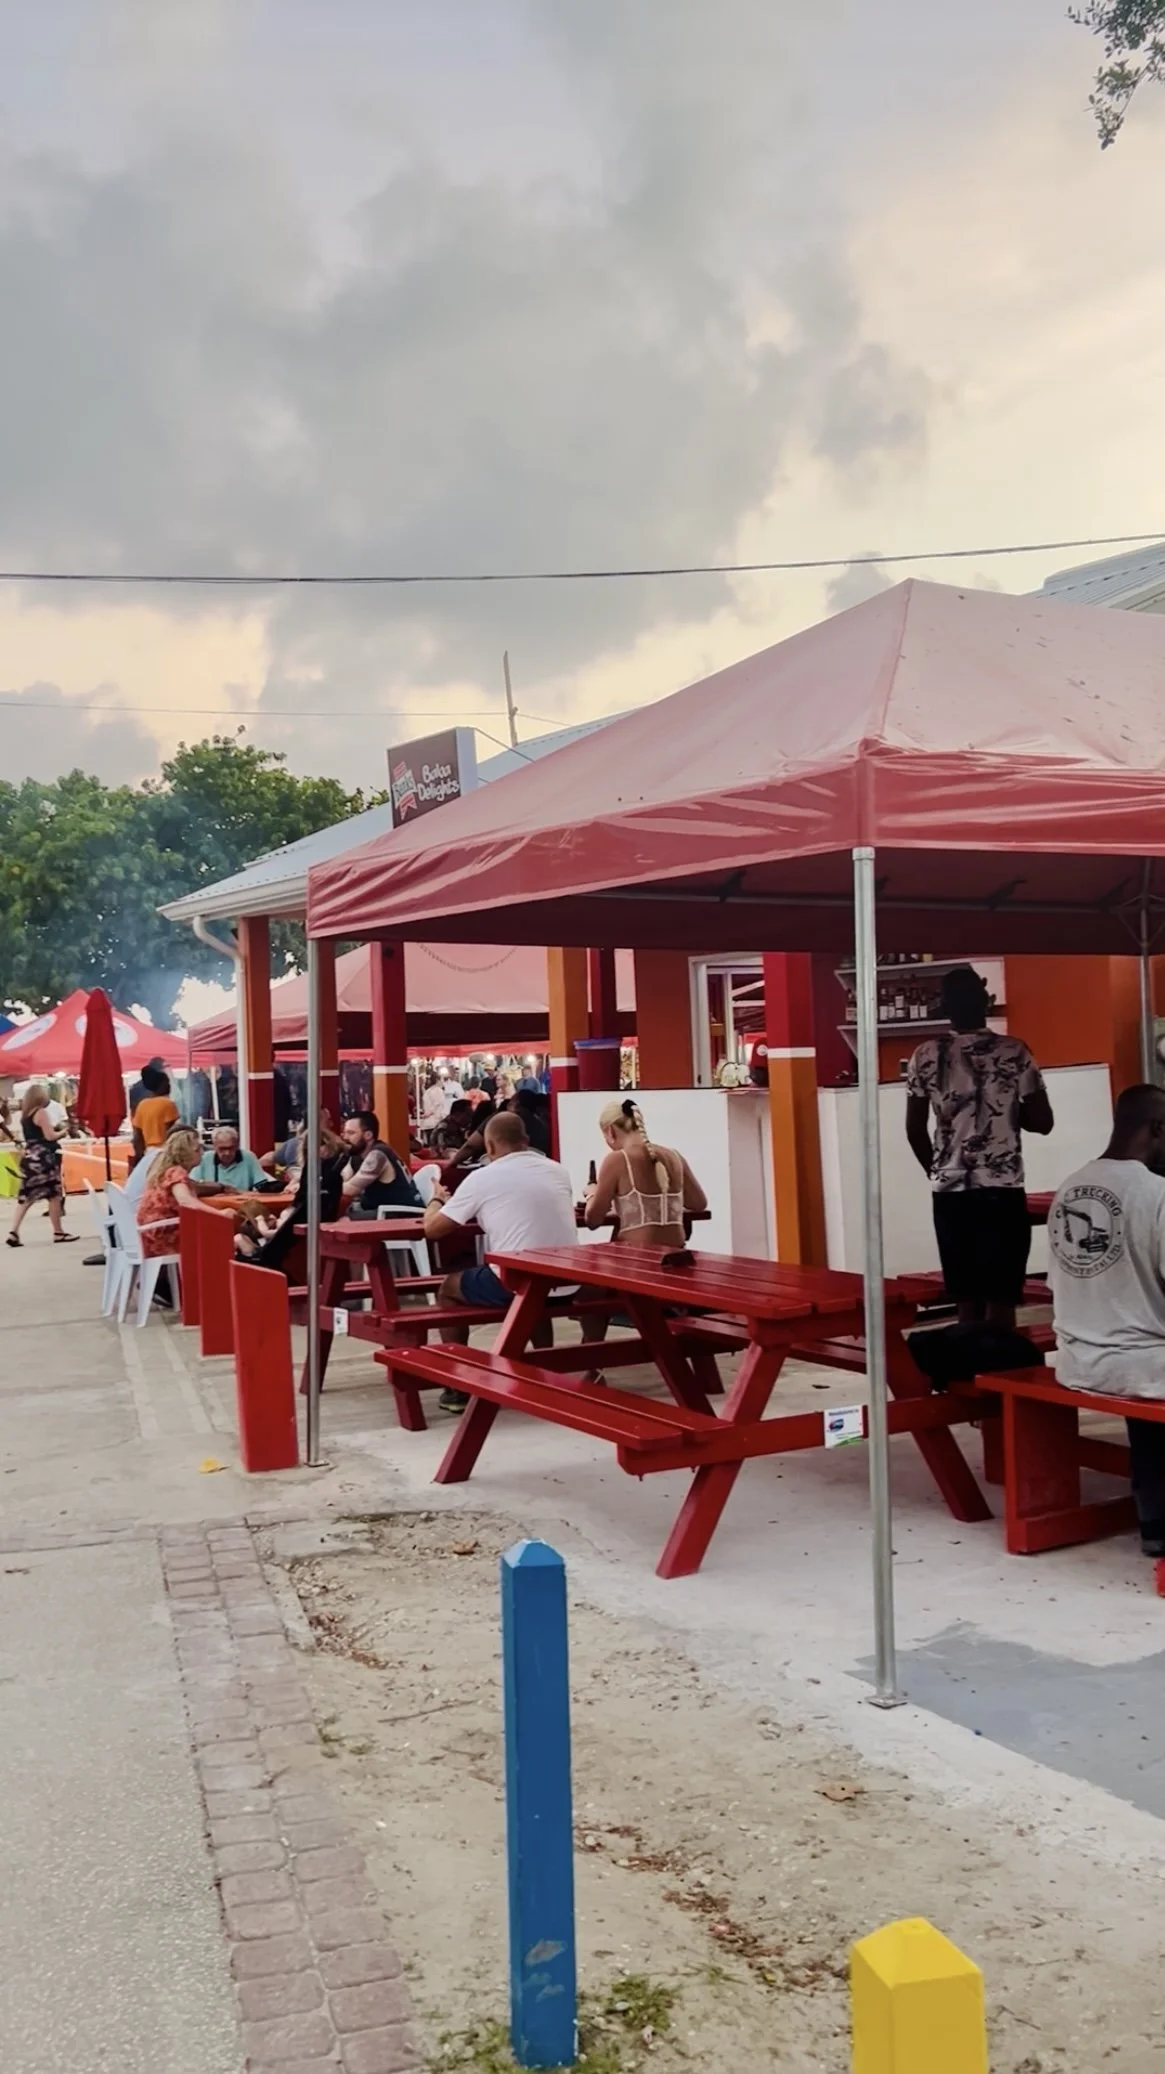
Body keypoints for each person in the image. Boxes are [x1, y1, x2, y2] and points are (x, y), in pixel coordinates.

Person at [1048, 1082, 1165, 1556]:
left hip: (1076, 1358)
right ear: (1157, 1129)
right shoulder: (1155, 1193)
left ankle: (1156, 1520)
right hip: (1139, 1365)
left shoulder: (1070, 1185)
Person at [905, 964, 1053, 1328]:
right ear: (986, 1001)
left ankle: (970, 1376)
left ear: (944, 1006)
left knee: (965, 1298)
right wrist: (1003, 1107)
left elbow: (914, 1128)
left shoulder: (924, 1054)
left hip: (951, 1191)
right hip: (1001, 1188)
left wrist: (939, 1169)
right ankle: (1002, 1376)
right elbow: (1044, 1123)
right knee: (1001, 1296)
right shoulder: (1014, 1051)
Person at [423, 1110, 578, 1409]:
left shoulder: (482, 1178)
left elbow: (433, 1229)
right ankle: (544, 1370)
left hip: (517, 1283)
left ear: (490, 1147)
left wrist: (436, 1199)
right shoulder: (558, 1170)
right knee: (536, 1284)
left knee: (447, 1288)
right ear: (526, 1140)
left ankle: (456, 1384)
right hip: (566, 1283)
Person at [584, 1098, 707, 1247]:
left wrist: (592, 1193)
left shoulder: (617, 1160)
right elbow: (699, 1203)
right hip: (676, 1253)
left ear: (610, 1131)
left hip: (637, 1257)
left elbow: (593, 1220)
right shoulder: (674, 1156)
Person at [136, 1128, 228, 1260]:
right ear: (186, 1153)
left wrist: (218, 1188)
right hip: (163, 1237)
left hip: (149, 1234)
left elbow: (192, 1189)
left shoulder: (165, 1170)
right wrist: (220, 1214)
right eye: (197, 1150)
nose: (202, 1153)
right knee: (221, 1234)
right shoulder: (177, 1172)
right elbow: (185, 1201)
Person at [6, 1083, 76, 1246]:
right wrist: (63, 1132)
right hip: (44, 1157)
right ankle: (58, 1232)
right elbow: (50, 1136)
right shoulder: (41, 1113)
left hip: (29, 1156)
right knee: (54, 1196)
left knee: (27, 1197)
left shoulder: (25, 1116)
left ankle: (14, 1231)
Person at [340, 1112, 422, 1217]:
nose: (345, 1138)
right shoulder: (357, 1155)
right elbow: (343, 1179)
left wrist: (322, 1189)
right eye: (344, 1133)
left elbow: (350, 1189)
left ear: (368, 1135)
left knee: (341, 1220)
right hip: (382, 1211)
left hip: (402, 1215)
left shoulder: (378, 1154)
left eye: (351, 1133)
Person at [194, 1125, 268, 1193]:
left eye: (231, 1148)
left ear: (237, 1145)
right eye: (222, 1149)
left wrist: (237, 1192)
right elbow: (192, 1186)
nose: (227, 1153)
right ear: (214, 1146)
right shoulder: (204, 1158)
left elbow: (263, 1188)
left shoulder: (249, 1157)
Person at [131, 1066, 179, 1163]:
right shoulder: (168, 1104)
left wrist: (139, 1156)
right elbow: (172, 1132)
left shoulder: (142, 1105)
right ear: (160, 1085)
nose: (169, 1086)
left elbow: (137, 1136)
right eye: (167, 1083)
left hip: (149, 1152)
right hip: (165, 1151)